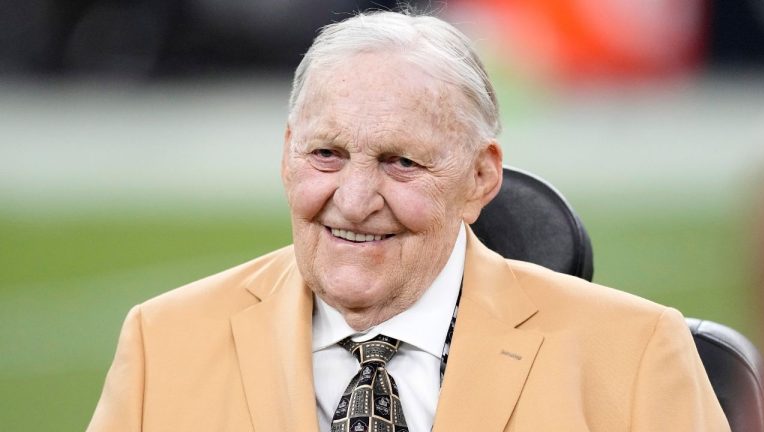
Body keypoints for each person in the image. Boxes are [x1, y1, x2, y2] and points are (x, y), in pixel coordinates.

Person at [87, 10, 730, 432]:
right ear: (286, 155)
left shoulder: (636, 354)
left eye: (401, 162)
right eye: (326, 154)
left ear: (480, 178)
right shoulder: (161, 344)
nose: (354, 199)